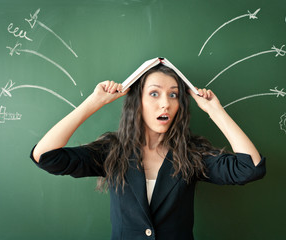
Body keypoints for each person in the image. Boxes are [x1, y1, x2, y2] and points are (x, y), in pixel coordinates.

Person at [30, 64, 266, 240]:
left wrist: (215, 111)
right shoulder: (113, 151)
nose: (165, 103)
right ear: (138, 102)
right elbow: (46, 156)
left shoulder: (191, 154)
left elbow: (250, 169)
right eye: (154, 93)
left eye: (173, 94)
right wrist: (94, 102)